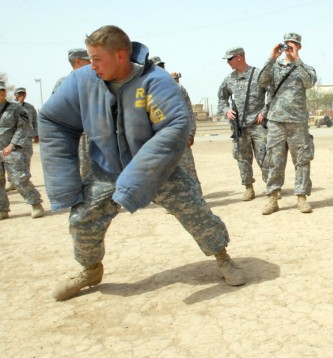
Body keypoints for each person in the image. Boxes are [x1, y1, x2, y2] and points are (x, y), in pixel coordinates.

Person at [39, 25, 246, 301]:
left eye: (97, 59)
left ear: (121, 55)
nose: (92, 66)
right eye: (90, 59)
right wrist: (63, 184)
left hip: (158, 171)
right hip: (106, 172)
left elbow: (174, 126)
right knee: (81, 221)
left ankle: (222, 258)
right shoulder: (82, 81)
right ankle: (90, 270)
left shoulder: (154, 80)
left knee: (196, 212)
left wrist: (134, 179)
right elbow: (54, 121)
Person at [258, 32, 316, 215]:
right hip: (276, 121)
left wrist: (297, 59)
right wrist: (271, 57)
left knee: (302, 160)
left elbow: (310, 83)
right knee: (275, 160)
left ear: (299, 47)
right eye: (287, 45)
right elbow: (261, 81)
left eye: (294, 45)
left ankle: (301, 197)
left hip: (297, 121)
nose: (289, 48)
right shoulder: (274, 68)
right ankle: (273, 198)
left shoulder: (304, 68)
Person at [218, 47, 269, 201]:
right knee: (242, 158)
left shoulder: (258, 74)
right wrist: (226, 110)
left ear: (239, 57)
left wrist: (264, 112)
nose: (227, 62)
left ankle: (271, 187)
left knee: (265, 157)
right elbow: (221, 99)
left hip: (258, 125)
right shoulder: (229, 79)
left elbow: (273, 94)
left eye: (230, 59)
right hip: (239, 127)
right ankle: (248, 188)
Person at [150, 56, 202, 195]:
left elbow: (189, 111)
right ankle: (178, 201)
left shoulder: (177, 88)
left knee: (188, 168)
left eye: (161, 66)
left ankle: (197, 196)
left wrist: (191, 132)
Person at [0, 81, 46, 220]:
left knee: (19, 179)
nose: (1, 93)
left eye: (2, 90)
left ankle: (35, 203)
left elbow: (23, 127)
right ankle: (2, 209)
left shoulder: (16, 108)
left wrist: (12, 145)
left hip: (11, 149)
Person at [53, 48, 92, 180]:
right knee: (78, 170)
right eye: (88, 60)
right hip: (75, 134)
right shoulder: (63, 83)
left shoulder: (97, 79)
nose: (91, 63)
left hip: (96, 133)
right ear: (77, 61)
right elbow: (56, 109)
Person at [5, 87, 39, 192]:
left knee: (26, 158)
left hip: (27, 137)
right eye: (19, 94)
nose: (21, 95)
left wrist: (36, 134)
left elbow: (35, 121)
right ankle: (11, 182)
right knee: (11, 159)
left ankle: (26, 180)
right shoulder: (10, 107)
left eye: (23, 93)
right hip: (13, 138)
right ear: (15, 95)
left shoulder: (30, 108)